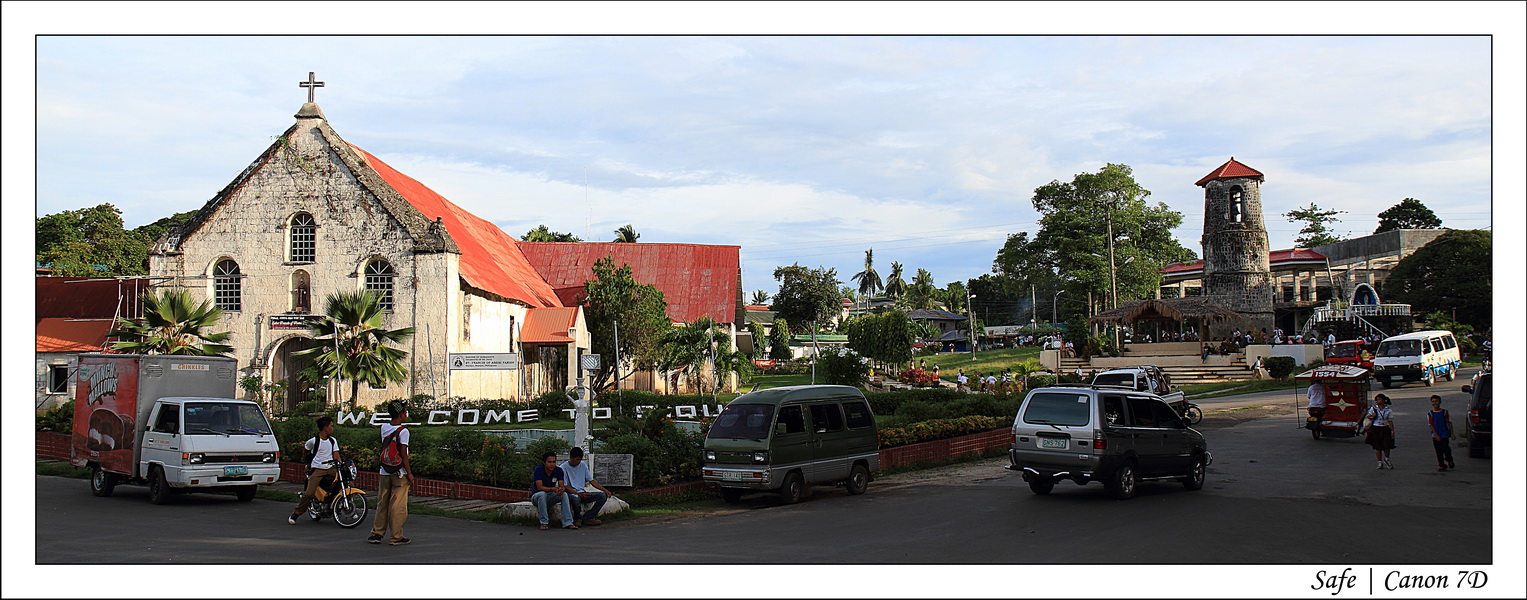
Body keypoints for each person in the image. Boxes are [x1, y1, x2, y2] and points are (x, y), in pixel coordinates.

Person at [368, 401, 412, 545]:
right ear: (401, 414)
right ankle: (396, 536)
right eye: (405, 412)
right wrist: (409, 473)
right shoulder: (403, 431)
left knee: (383, 502)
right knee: (397, 505)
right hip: (399, 472)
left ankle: (377, 533)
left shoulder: (384, 427)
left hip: (384, 470)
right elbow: (403, 453)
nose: (406, 414)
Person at [290, 416, 341, 525]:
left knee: (346, 482)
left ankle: (343, 505)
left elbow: (336, 455)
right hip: (318, 469)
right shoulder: (313, 441)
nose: (333, 429)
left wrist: (340, 464)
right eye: (331, 426)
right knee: (309, 493)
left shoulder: (333, 441)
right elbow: (306, 450)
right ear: (325, 428)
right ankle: (296, 513)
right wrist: (307, 464)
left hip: (330, 468)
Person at [559, 447, 614, 526]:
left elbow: (591, 481)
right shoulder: (563, 468)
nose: (578, 462)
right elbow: (565, 487)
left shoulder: (583, 465)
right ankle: (577, 518)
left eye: (580, 460)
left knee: (602, 496)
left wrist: (605, 490)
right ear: (571, 457)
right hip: (572, 493)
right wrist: (578, 494)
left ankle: (589, 517)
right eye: (577, 459)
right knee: (575, 498)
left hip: (582, 492)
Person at [531, 451, 576, 530]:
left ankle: (568, 522)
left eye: (554, 462)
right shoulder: (539, 470)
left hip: (550, 495)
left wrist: (560, 490)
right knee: (542, 494)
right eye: (549, 462)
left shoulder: (558, 470)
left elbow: (562, 485)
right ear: (544, 463)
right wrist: (553, 489)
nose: (552, 464)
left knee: (564, 494)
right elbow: (540, 487)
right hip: (537, 496)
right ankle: (544, 522)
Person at [1363, 394, 1397, 470]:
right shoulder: (1373, 409)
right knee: (1377, 446)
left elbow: (1390, 421)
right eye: (1376, 400)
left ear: (1383, 401)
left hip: (1385, 428)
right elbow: (1368, 416)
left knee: (1387, 446)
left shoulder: (1388, 410)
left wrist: (1392, 430)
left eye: (1379, 399)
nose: (1377, 401)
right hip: (1376, 429)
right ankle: (1379, 462)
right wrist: (1373, 416)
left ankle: (1387, 459)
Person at [1425, 395, 1456, 472]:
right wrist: (1435, 434)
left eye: (1436, 401)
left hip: (1444, 433)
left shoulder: (1445, 412)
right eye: (1433, 401)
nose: (1435, 403)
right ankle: (1441, 464)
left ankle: (1449, 459)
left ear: (1440, 402)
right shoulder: (1430, 413)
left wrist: (1452, 433)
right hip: (1436, 434)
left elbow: (1449, 423)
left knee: (1446, 448)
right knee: (1438, 451)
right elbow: (1431, 425)